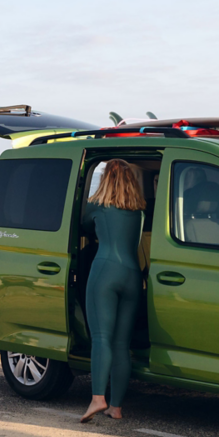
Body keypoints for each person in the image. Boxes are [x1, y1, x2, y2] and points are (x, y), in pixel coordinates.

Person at [80, 159, 146, 423]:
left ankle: (98, 399)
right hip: (132, 277)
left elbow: (84, 227)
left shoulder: (97, 207)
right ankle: (116, 407)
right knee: (122, 344)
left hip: (105, 273)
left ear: (105, 179)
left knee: (101, 338)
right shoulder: (140, 211)